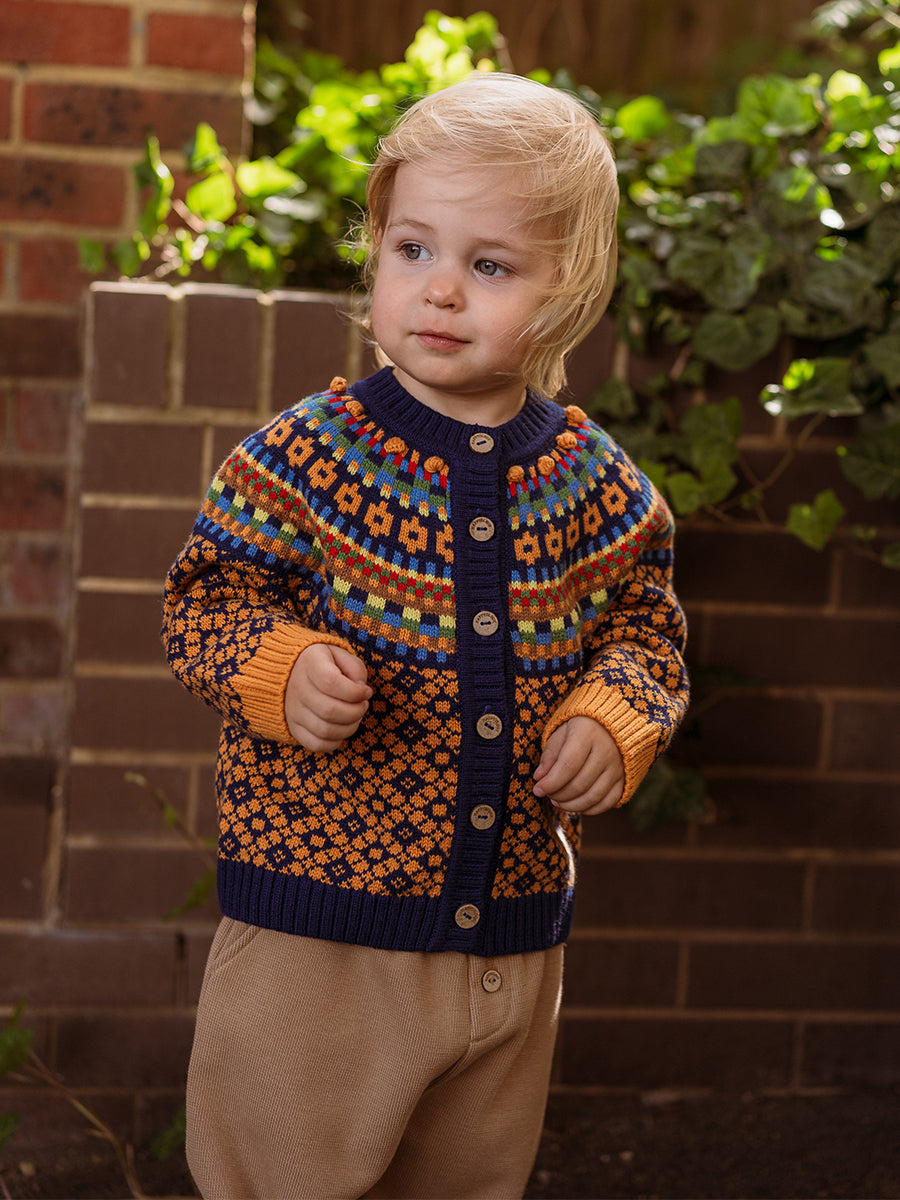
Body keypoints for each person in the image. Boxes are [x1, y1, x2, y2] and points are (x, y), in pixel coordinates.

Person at [162, 71, 689, 1200]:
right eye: (412, 249)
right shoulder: (304, 457)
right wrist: (281, 668)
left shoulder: (601, 489)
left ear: (569, 288)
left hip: (511, 938)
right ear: (376, 251)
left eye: (489, 265)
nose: (439, 289)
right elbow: (205, 602)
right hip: (321, 931)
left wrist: (616, 717)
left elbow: (647, 635)